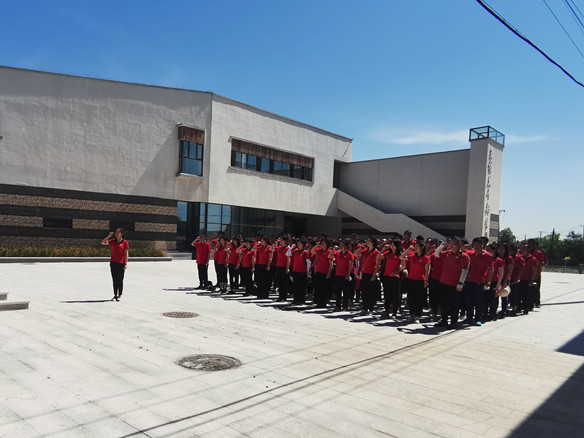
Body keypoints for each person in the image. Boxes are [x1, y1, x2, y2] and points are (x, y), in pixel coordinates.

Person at [435, 237, 470, 329]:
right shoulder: (447, 253)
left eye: (453, 243)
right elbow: (437, 254)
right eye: (450, 243)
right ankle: (444, 320)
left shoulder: (464, 256)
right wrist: (441, 246)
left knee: (454, 304)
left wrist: (460, 283)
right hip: (444, 282)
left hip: (455, 284)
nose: (451, 245)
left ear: (459, 245)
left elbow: (465, 271)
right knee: (443, 304)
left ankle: (454, 322)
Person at [400, 240, 430, 322]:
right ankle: (411, 314)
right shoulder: (412, 256)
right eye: (415, 246)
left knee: (419, 299)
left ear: (422, 248)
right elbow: (401, 257)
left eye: (417, 246)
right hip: (411, 279)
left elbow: (427, 271)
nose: (415, 248)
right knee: (411, 298)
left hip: (420, 280)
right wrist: (407, 251)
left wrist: (426, 280)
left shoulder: (425, 258)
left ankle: (418, 315)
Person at [377, 239, 404, 319]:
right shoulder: (388, 254)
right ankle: (386, 310)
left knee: (395, 294)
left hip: (395, 278)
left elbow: (403, 266)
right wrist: (383, 249)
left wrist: (396, 271)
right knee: (387, 294)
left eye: (393, 245)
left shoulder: (400, 255)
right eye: (391, 245)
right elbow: (378, 257)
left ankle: (395, 311)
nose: (391, 246)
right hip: (387, 276)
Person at [354, 237, 380, 316]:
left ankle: (370, 308)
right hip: (364, 273)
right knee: (364, 292)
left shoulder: (376, 252)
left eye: (369, 241)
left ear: (373, 243)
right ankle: (365, 308)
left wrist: (374, 275)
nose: (367, 242)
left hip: (371, 273)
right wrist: (362, 247)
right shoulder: (364, 251)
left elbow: (378, 265)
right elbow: (355, 254)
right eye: (367, 241)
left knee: (370, 292)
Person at [101, 228, 129, 301]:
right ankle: (115, 294)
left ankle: (120, 294)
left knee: (120, 280)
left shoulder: (125, 242)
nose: (116, 234)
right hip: (113, 263)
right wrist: (108, 236)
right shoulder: (112, 241)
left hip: (121, 263)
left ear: (122, 234)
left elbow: (126, 254)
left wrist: (125, 263)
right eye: (116, 233)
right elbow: (103, 243)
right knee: (114, 280)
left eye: (118, 233)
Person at [331, 239, 355, 310]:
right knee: (338, 291)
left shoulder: (350, 254)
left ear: (346, 246)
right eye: (340, 246)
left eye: (342, 246)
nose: (341, 247)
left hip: (345, 275)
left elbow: (351, 265)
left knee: (345, 292)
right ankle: (338, 306)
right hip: (338, 274)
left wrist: (348, 274)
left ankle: (345, 306)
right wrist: (333, 249)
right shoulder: (338, 253)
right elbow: (330, 256)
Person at [286, 239, 311, 304]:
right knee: (296, 286)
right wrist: (291, 247)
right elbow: (287, 253)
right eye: (298, 243)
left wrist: (307, 272)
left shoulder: (305, 252)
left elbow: (308, 263)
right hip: (295, 271)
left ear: (303, 245)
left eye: (300, 244)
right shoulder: (296, 251)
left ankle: (301, 300)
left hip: (302, 272)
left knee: (301, 287)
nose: (298, 245)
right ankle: (295, 300)